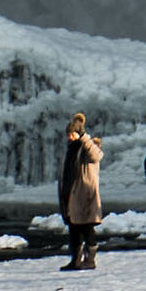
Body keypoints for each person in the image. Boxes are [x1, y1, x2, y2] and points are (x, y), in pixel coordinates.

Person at [59, 113, 103, 270]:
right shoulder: (71, 149)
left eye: (73, 134)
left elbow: (97, 156)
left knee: (87, 228)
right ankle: (75, 259)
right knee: (74, 229)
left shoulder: (87, 147)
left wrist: (84, 137)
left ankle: (90, 259)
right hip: (71, 195)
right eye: (68, 134)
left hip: (85, 195)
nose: (70, 137)